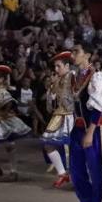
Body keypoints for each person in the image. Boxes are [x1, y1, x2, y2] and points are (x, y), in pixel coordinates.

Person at [67, 44, 102, 202]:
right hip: (76, 128)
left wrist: (90, 132)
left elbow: (99, 107)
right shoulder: (75, 77)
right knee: (76, 168)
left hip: (92, 129)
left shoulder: (97, 77)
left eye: (76, 52)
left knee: (96, 169)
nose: (72, 55)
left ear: (87, 55)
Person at [43, 51, 75, 188]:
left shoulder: (72, 77)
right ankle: (62, 173)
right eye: (55, 67)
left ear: (67, 66)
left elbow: (71, 101)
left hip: (70, 115)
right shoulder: (58, 81)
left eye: (58, 66)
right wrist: (51, 89)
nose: (56, 70)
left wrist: (57, 88)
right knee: (48, 144)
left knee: (70, 146)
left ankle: (74, 174)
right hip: (58, 115)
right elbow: (49, 107)